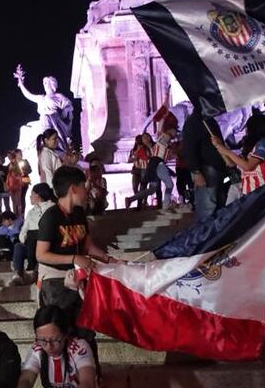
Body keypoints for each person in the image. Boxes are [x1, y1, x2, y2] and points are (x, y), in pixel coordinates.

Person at [36, 166, 112, 324]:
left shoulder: (79, 214)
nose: (86, 192)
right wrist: (74, 258)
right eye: (84, 187)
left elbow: (88, 247)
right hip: (56, 281)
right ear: (73, 189)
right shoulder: (51, 216)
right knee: (63, 328)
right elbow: (41, 254)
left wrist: (110, 260)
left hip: (79, 276)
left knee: (85, 329)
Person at [211, 112, 265, 197]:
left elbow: (249, 166)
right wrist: (219, 146)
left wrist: (227, 151)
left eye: (248, 127)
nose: (246, 130)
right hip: (247, 192)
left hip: (262, 191)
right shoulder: (249, 146)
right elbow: (231, 163)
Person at [182, 108, 226, 220]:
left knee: (215, 203)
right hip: (206, 169)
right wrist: (196, 171)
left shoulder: (208, 120)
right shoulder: (195, 121)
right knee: (207, 206)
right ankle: (205, 234)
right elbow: (189, 148)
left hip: (215, 168)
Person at [10, 183, 55, 286]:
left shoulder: (52, 208)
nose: (30, 197)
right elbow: (23, 231)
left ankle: (32, 269)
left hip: (46, 243)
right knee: (19, 246)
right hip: (30, 243)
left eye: (32, 194)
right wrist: (24, 239)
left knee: (35, 235)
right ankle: (18, 274)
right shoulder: (31, 212)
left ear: (38, 195)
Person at [125, 126, 177, 210]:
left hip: (155, 165)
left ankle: (131, 199)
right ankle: (165, 206)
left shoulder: (160, 142)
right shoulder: (165, 137)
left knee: (152, 189)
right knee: (169, 185)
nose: (175, 134)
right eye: (174, 132)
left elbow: (167, 154)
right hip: (157, 164)